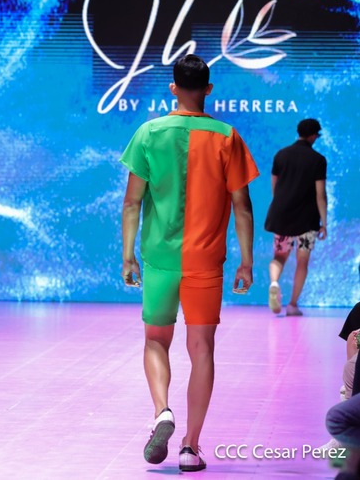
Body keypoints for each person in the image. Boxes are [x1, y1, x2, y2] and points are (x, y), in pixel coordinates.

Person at [120, 54, 259, 472]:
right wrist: (247, 262)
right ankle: (191, 447)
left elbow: (132, 202)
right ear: (209, 89)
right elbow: (242, 206)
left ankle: (162, 410)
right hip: (206, 260)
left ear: (173, 88)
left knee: (155, 340)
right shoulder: (227, 137)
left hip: (160, 259)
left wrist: (127, 255)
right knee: (202, 350)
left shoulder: (149, 132)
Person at [264, 118, 327, 316]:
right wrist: (324, 223)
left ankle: (274, 283)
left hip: (282, 216)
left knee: (279, 257)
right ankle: (292, 305)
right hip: (307, 220)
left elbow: (275, 187)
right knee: (302, 261)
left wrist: (280, 208)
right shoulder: (318, 159)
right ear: (313, 135)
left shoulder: (281, 155)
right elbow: (320, 194)